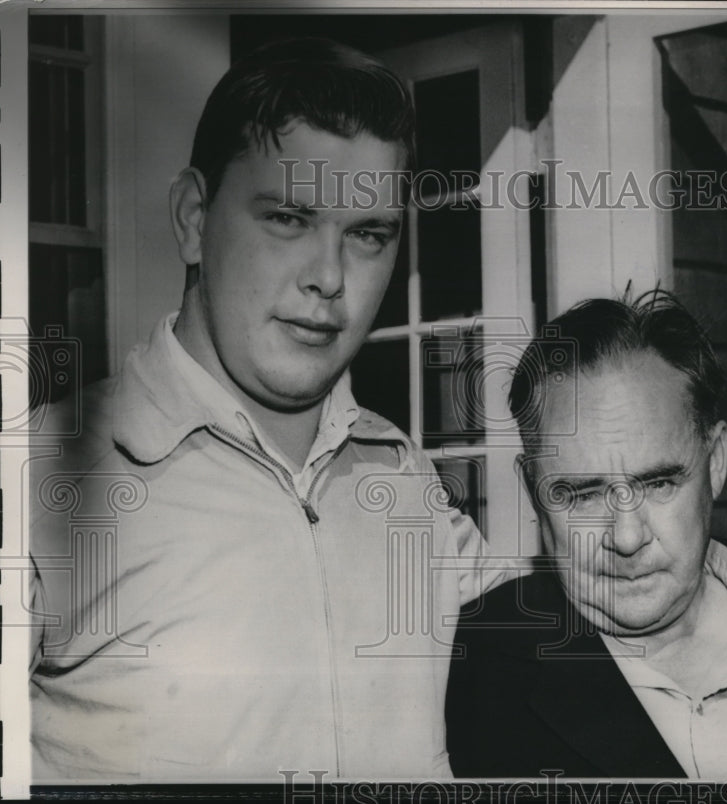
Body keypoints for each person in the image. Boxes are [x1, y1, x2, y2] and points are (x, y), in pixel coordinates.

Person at [29, 37, 502, 783]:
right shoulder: (40, 481)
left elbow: (595, 635)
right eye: (287, 218)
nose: (327, 277)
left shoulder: (404, 476)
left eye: (368, 234)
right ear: (193, 217)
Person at [445, 290, 727, 779]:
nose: (627, 538)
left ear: (716, 462)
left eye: (659, 483)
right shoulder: (466, 678)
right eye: (582, 494)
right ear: (532, 491)